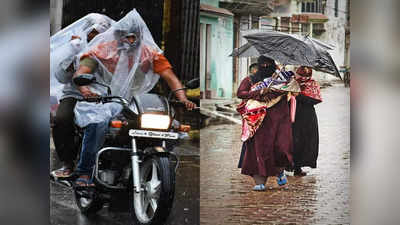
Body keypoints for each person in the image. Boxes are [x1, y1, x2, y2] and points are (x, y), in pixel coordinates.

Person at [72, 10, 196, 186]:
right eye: (126, 37)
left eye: (134, 37)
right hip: (105, 100)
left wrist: (183, 98)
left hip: (136, 102)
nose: (131, 41)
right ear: (117, 35)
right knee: (98, 123)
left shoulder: (150, 54)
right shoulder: (102, 50)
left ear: (140, 36)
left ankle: (155, 162)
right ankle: (84, 172)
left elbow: (171, 78)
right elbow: (81, 72)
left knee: (173, 127)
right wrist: (86, 90)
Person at [51, 14, 114, 178]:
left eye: (101, 33)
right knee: (62, 119)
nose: (95, 36)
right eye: (93, 32)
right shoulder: (76, 48)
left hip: (106, 95)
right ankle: (67, 163)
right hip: (75, 95)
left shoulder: (113, 50)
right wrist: (72, 58)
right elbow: (61, 77)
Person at [237, 56, 293, 191]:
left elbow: (292, 92)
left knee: (282, 147)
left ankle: (280, 172)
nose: (266, 66)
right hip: (259, 120)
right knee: (260, 149)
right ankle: (260, 181)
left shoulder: (282, 78)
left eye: (269, 64)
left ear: (274, 65)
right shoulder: (250, 79)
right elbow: (241, 93)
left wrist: (278, 89)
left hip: (280, 119)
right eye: (263, 64)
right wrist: (260, 92)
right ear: (259, 65)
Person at [291, 66, 322, 176]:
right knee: (292, 140)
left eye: (307, 75)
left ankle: (298, 167)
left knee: (305, 141)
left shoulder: (313, 84)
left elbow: (316, 99)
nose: (304, 78)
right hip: (291, 114)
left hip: (307, 116)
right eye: (302, 75)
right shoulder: (292, 82)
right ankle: (290, 165)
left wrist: (299, 96)